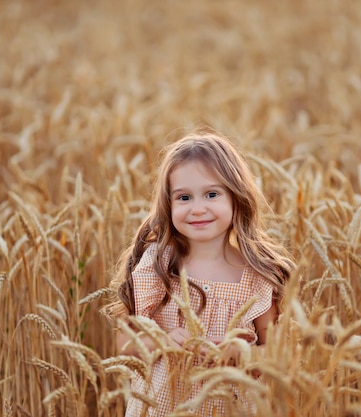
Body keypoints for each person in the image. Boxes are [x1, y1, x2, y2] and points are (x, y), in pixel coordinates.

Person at [105, 127, 295, 416]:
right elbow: (125, 342)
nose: (197, 208)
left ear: (236, 197)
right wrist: (161, 341)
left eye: (211, 194)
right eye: (184, 198)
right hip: (162, 408)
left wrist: (241, 354)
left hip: (232, 408)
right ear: (168, 204)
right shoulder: (158, 264)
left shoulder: (256, 275)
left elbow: (278, 354)